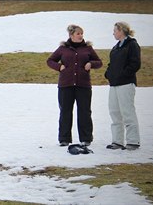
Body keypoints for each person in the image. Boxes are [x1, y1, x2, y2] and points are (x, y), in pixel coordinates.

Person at [46, 24, 102, 147]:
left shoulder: (88, 48)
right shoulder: (62, 49)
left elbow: (99, 62)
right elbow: (50, 61)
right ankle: (64, 139)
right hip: (66, 85)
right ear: (71, 35)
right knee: (65, 111)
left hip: (83, 85)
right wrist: (59, 67)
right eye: (78, 34)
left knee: (84, 112)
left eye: (82, 33)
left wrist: (91, 64)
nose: (81, 36)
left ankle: (86, 138)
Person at [104, 21, 141, 151]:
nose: (113, 33)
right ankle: (117, 141)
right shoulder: (116, 47)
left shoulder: (132, 45)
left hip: (126, 83)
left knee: (127, 112)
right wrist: (108, 74)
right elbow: (111, 64)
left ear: (121, 30)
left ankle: (133, 141)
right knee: (114, 112)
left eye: (115, 30)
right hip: (114, 84)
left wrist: (122, 75)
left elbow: (135, 64)